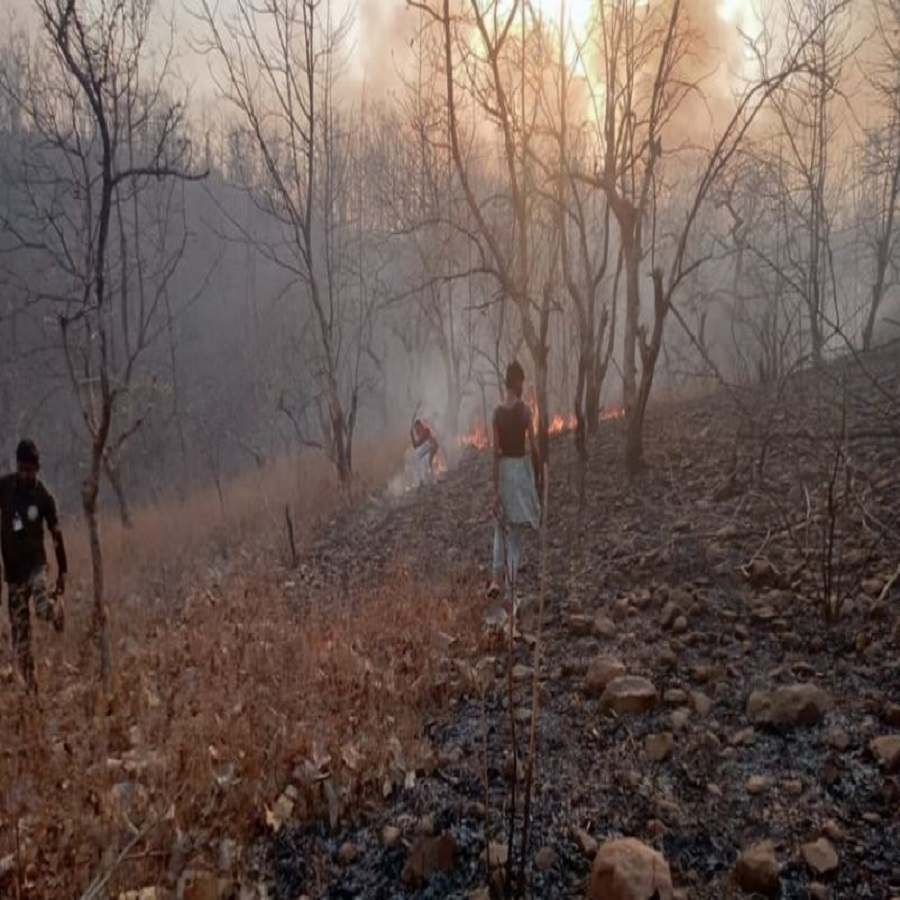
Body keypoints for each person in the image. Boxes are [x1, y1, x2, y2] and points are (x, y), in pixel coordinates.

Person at [1, 439, 67, 691]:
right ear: (17, 466)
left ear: (37, 469)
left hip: (36, 567)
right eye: (24, 469)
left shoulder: (43, 497)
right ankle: (32, 690)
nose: (28, 475)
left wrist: (63, 572)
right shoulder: (5, 488)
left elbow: (57, 536)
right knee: (21, 639)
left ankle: (57, 608)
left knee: (41, 610)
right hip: (14, 575)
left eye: (32, 470)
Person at [488, 361, 540, 605]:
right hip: (519, 471)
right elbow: (534, 446)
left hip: (504, 470)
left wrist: (495, 487)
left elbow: (495, 453)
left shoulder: (497, 413)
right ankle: (510, 590)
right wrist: (539, 474)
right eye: (522, 381)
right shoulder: (524, 411)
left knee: (500, 526)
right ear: (517, 381)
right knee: (516, 532)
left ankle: (496, 579)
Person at [410, 418, 439, 484]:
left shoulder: (426, 430)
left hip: (432, 445)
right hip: (429, 447)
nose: (416, 430)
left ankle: (431, 481)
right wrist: (412, 436)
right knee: (422, 461)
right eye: (415, 428)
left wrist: (413, 435)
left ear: (420, 426)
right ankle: (425, 480)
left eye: (417, 427)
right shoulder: (420, 433)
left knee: (426, 462)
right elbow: (415, 446)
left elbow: (418, 444)